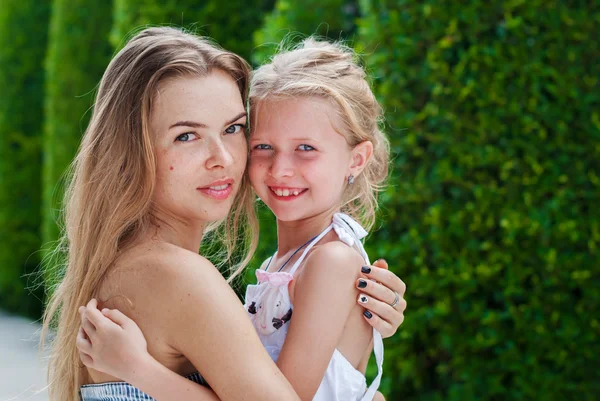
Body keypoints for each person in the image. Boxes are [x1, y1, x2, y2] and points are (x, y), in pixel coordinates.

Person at [40, 26, 405, 401]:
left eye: (233, 128)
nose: (224, 158)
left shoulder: (132, 264)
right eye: (187, 136)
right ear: (133, 151)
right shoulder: (176, 275)